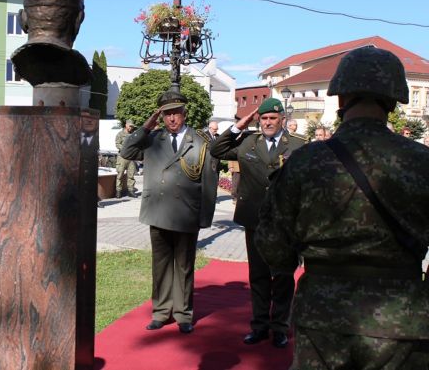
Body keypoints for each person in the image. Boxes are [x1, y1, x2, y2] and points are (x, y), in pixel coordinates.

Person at [256, 47, 429, 368]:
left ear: (340, 97)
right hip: (403, 319)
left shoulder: (305, 162)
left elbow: (273, 247)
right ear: (394, 102)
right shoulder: (422, 162)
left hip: (322, 317)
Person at [120, 90, 218, 334]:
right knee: (161, 265)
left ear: (185, 113)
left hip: (186, 213)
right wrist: (146, 126)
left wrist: (205, 217)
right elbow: (126, 151)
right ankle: (161, 312)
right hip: (159, 212)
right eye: (166, 114)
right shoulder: (153, 138)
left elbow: (209, 182)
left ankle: (183, 314)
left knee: (184, 267)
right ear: (160, 116)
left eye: (176, 113)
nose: (172, 118)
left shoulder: (201, 141)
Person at [210, 97, 305, 348]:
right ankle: (260, 326)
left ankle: (280, 327)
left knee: (283, 276)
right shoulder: (248, 142)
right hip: (255, 219)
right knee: (258, 275)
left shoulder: (299, 144)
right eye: (264, 118)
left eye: (273, 118)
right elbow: (217, 150)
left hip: (285, 222)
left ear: (282, 119)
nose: (268, 122)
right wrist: (238, 126)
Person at [114, 119, 137, 198]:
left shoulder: (133, 134)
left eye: (132, 127)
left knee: (131, 175)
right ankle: (118, 191)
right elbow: (117, 144)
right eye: (130, 126)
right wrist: (125, 149)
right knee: (120, 175)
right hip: (122, 157)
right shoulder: (120, 134)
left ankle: (131, 191)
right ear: (126, 125)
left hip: (131, 157)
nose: (131, 128)